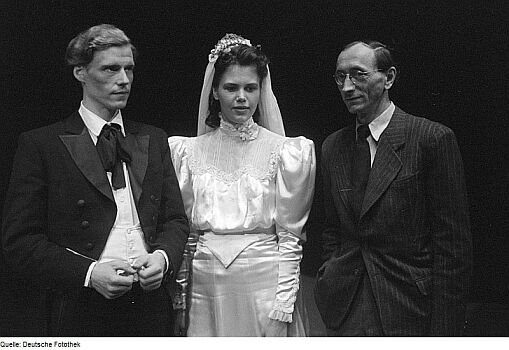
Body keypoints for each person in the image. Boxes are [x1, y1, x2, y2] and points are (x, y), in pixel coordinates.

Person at [1, 24, 189, 336]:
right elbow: (20, 242)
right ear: (80, 73)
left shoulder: (153, 139)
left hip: (149, 309)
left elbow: (175, 220)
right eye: (111, 69)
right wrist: (89, 273)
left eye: (128, 69)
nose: (124, 80)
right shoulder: (42, 145)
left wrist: (163, 258)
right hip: (81, 309)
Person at [314, 40, 472, 336]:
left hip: (409, 307)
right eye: (340, 77)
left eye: (359, 74)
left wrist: (444, 335)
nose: (347, 87)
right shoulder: (333, 147)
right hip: (345, 307)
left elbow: (453, 250)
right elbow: (332, 229)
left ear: (388, 78)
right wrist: (329, 276)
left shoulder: (430, 139)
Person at [168, 34, 316, 336]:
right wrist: (181, 298)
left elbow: (290, 237)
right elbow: (188, 236)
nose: (241, 97)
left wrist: (283, 305)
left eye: (250, 88)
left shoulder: (286, 152)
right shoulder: (187, 152)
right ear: (215, 91)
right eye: (231, 88)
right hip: (204, 290)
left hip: (263, 287)